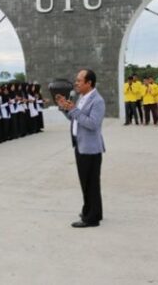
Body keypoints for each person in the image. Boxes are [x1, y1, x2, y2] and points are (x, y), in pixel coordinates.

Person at [56, 69, 105, 228]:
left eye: (79, 80)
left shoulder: (97, 100)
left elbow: (92, 124)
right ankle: (94, 211)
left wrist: (74, 110)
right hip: (80, 145)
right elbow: (75, 118)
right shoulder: (82, 97)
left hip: (90, 148)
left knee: (90, 183)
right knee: (87, 183)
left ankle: (91, 218)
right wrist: (65, 108)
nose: (76, 83)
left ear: (89, 83)